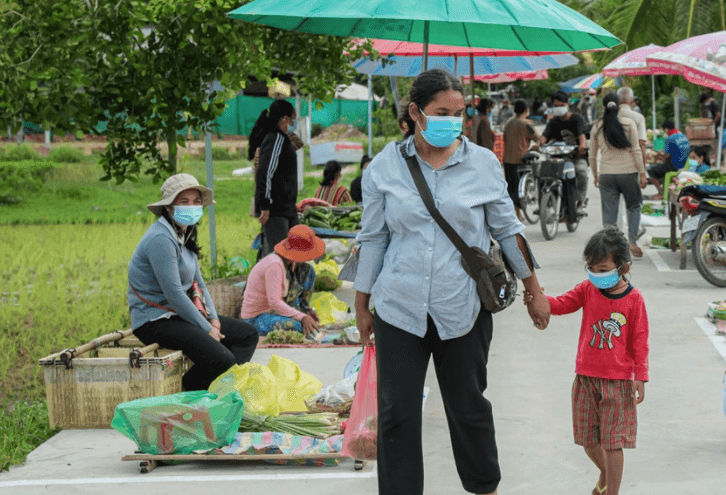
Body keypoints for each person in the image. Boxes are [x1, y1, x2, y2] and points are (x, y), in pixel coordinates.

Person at [354, 68, 550, 495]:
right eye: (442, 112)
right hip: (398, 307)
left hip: (462, 305)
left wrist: (534, 290)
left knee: (469, 408)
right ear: (415, 112)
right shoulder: (385, 166)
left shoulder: (482, 163)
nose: (452, 121)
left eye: (459, 112)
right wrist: (361, 303)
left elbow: (507, 229)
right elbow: (373, 238)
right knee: (396, 415)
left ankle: (485, 488)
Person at [524, 227, 649, 495]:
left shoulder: (634, 299)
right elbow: (561, 304)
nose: (597, 274)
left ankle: (611, 490)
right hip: (585, 378)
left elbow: (640, 340)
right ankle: (605, 475)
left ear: (623, 267)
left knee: (613, 443)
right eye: (591, 267)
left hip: (618, 382)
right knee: (588, 440)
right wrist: (539, 299)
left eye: (603, 268)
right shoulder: (587, 289)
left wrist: (640, 375)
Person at [128, 173, 259, 391]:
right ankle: (184, 396)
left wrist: (214, 321)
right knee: (221, 359)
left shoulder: (184, 234)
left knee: (247, 335)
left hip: (178, 315)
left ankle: (223, 389)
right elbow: (175, 294)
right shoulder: (161, 238)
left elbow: (199, 285)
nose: (191, 206)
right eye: (184, 201)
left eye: (196, 202)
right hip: (155, 320)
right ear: (169, 207)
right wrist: (206, 328)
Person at [589, 93, 647, 259]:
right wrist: (642, 173)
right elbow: (636, 150)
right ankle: (632, 241)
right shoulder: (629, 123)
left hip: (606, 175)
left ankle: (611, 248)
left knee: (609, 215)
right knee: (634, 206)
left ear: (603, 106)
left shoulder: (597, 126)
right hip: (628, 174)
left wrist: (595, 175)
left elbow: (592, 155)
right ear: (620, 106)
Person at [240, 225, 324, 336]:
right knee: (298, 327)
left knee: (309, 271)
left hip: (275, 312)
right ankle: (301, 318)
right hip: (257, 318)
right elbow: (274, 302)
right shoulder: (274, 265)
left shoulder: (292, 263)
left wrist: (305, 313)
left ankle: (303, 312)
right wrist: (302, 318)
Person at [252, 100, 300, 258]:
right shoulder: (275, 139)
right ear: (285, 119)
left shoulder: (283, 140)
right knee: (277, 257)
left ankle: (288, 282)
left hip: (287, 208)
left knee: (293, 254)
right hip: (276, 209)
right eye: (292, 118)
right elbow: (265, 172)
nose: (294, 122)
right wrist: (264, 205)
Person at [540, 90, 590, 213]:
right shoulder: (553, 122)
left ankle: (580, 203)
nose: (558, 108)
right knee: (543, 174)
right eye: (555, 106)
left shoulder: (577, 118)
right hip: (558, 157)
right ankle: (545, 204)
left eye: (561, 106)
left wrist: (582, 145)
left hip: (577, 157)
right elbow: (544, 136)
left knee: (582, 172)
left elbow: (581, 134)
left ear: (567, 104)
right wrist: (539, 144)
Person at [503, 100, 541, 222]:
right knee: (521, 186)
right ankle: (520, 212)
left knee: (511, 187)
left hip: (507, 159)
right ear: (526, 111)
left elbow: (505, 139)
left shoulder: (508, 123)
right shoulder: (526, 124)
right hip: (520, 160)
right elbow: (538, 139)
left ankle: (517, 213)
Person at [647, 120, 690, 199]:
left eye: (664, 130)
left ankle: (661, 193)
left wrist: (659, 155)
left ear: (666, 129)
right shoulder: (683, 135)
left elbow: (666, 156)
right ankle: (665, 189)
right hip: (685, 163)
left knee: (650, 171)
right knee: (661, 168)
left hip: (675, 165)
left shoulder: (670, 138)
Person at [617, 87, 647, 169]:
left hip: (611, 167)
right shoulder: (639, 118)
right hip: (631, 166)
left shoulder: (608, 118)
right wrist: (643, 172)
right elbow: (642, 145)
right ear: (632, 101)